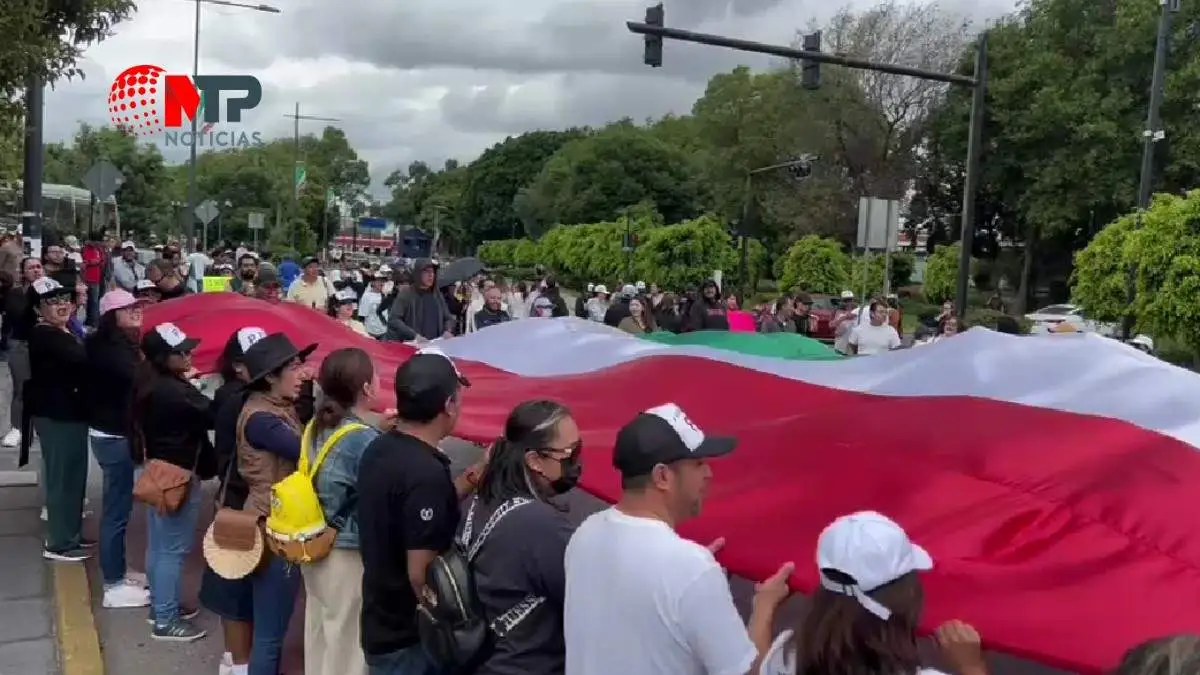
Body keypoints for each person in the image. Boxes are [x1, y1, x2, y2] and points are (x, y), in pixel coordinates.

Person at [563, 403, 793, 675]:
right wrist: (764, 607)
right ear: (662, 476)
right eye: (697, 463)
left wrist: (692, 578)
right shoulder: (689, 567)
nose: (708, 473)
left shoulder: (585, 533)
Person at [357, 348, 487, 675]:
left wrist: (477, 472)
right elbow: (421, 574)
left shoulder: (382, 447)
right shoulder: (423, 472)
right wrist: (453, 632)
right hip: (409, 641)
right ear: (447, 406)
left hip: (381, 623)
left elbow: (422, 509)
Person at [758, 511, 986, 675]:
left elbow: (750, 668)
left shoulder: (788, 655)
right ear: (903, 596)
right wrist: (971, 667)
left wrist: (762, 609)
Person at [468, 400, 581, 675]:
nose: (576, 461)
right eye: (569, 454)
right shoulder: (540, 527)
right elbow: (590, 599)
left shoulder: (480, 501)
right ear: (534, 460)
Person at [234, 332, 316, 673]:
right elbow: (309, 455)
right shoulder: (263, 420)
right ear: (270, 376)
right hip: (272, 527)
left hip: (274, 520)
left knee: (270, 628)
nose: (303, 374)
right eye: (294, 367)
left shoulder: (275, 409)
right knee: (270, 633)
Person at [303, 348, 385, 675]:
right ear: (367, 388)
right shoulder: (361, 439)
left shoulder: (319, 424)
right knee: (349, 646)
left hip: (315, 541)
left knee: (322, 633)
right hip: (347, 551)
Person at [134, 322, 216, 640]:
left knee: (159, 545)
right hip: (178, 473)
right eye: (180, 352)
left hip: (159, 469)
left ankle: (160, 605)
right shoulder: (174, 391)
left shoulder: (154, 383)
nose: (188, 355)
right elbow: (210, 413)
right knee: (172, 550)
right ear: (162, 358)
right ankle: (166, 620)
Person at [85, 290, 151, 606]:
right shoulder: (110, 351)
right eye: (128, 308)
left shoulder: (120, 346)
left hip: (113, 434)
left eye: (137, 306)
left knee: (119, 509)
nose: (136, 311)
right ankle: (113, 585)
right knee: (116, 512)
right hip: (113, 437)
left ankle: (119, 572)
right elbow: (138, 382)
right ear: (113, 315)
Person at [26, 277, 92, 562]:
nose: (61, 305)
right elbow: (84, 358)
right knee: (63, 478)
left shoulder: (63, 330)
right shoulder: (46, 335)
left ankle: (70, 534)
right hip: (58, 417)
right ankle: (60, 542)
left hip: (71, 414)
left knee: (74, 476)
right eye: (52, 302)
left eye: (64, 299)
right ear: (39, 309)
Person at [384, 259, 455, 342]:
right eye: (426, 272)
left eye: (432, 272)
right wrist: (414, 336)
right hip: (413, 346)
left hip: (435, 346)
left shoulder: (437, 295)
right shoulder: (406, 294)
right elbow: (394, 320)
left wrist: (448, 330)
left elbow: (448, 318)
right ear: (418, 273)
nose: (431, 275)